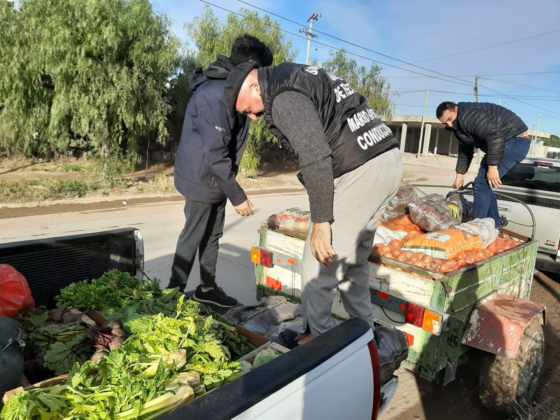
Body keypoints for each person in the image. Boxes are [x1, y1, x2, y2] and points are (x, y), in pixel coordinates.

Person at [232, 62, 402, 339]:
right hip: (385, 158)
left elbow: (316, 157)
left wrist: (322, 221)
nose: (252, 117)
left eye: (247, 109)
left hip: (362, 166)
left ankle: (318, 349)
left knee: (317, 263)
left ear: (254, 86)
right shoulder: (292, 75)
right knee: (352, 264)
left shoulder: (283, 97)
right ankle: (366, 337)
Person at [168, 35, 273, 308]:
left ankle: (207, 287)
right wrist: (238, 196)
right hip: (201, 176)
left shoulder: (231, 88)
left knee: (213, 235)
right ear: (251, 68)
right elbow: (214, 154)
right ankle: (170, 296)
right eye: (261, 74)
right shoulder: (214, 95)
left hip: (218, 179)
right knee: (193, 236)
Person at [436, 101, 530, 227]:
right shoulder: (458, 124)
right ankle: (495, 224)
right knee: (484, 185)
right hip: (504, 143)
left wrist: (492, 166)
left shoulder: (470, 115)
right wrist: (460, 174)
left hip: (514, 141)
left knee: (481, 184)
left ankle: (476, 227)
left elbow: (494, 136)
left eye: (449, 119)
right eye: (445, 123)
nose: (449, 124)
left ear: (455, 109)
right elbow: (465, 148)